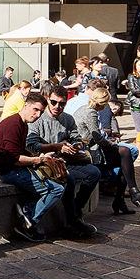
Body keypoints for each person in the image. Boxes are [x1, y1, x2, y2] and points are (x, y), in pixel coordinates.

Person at [25, 85, 102, 239]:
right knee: (69, 179)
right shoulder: (37, 118)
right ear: (47, 99)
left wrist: (76, 146)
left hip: (66, 160)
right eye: (53, 102)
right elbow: (32, 145)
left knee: (94, 173)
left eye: (62, 104)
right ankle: (72, 220)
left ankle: (77, 210)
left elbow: (76, 138)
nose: (57, 107)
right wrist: (57, 147)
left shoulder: (67, 118)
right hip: (46, 162)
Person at [0, 91, 64, 241]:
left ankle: (27, 211)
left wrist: (38, 157)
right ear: (25, 106)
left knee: (61, 179)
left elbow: (19, 151)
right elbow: (15, 159)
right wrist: (37, 160)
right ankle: (28, 222)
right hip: (9, 171)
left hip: (15, 168)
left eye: (41, 112)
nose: (37, 115)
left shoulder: (22, 124)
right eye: (35, 110)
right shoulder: (13, 125)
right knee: (56, 189)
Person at [73, 83, 140, 213]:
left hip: (89, 148)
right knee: (125, 154)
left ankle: (127, 196)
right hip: (87, 152)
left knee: (125, 156)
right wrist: (113, 145)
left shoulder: (84, 108)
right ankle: (128, 195)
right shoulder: (91, 112)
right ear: (104, 104)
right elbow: (97, 137)